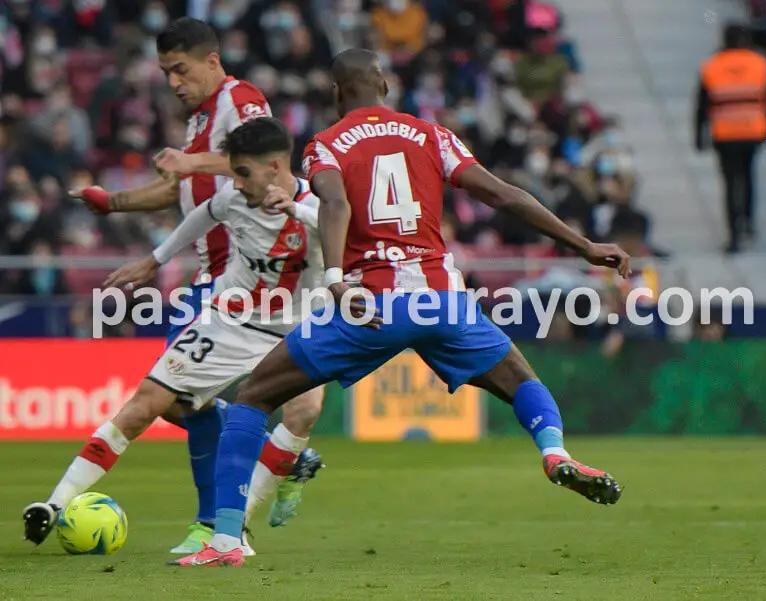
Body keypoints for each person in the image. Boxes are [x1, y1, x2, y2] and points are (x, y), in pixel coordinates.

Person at [172, 49, 630, 568]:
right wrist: (584, 245)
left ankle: (226, 540)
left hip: (373, 302)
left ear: (337, 93)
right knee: (521, 379)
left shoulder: (326, 144)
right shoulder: (433, 135)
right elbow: (502, 196)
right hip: (444, 299)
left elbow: (336, 204)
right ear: (385, 85)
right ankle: (554, 453)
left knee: (254, 396)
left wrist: (338, 279)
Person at [38, 17, 322, 555]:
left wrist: (193, 162)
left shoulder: (241, 99)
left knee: (176, 400)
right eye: (166, 71)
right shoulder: (199, 122)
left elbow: (260, 160)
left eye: (180, 69)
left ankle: (213, 519)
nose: (173, 81)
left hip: (238, 274)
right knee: (179, 403)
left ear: (210, 61)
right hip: (211, 271)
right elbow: (184, 191)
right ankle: (268, 465)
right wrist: (114, 202)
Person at [695, 23, 766, 254]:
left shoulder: (711, 66)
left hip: (725, 132)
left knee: (730, 182)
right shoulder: (760, 64)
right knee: (748, 175)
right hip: (753, 131)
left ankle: (733, 235)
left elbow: (701, 105)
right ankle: (748, 221)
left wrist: (699, 135)